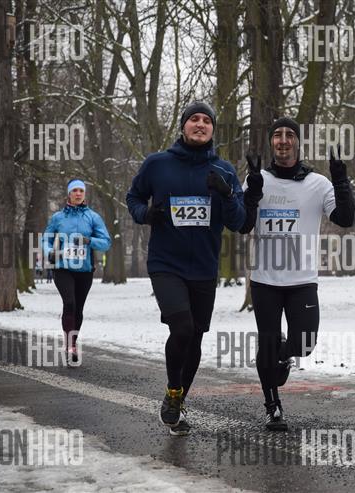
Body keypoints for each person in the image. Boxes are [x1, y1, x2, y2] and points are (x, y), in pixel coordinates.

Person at [126, 101, 246, 436]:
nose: (200, 124)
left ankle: (175, 399)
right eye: (194, 118)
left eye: (207, 120)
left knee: (195, 337)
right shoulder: (157, 164)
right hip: (166, 263)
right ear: (183, 126)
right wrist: (145, 214)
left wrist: (227, 195)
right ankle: (174, 389)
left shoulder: (224, 170)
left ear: (213, 129)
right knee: (182, 327)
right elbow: (133, 197)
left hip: (205, 268)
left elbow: (239, 223)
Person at [239, 116, 355, 431]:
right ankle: (272, 406)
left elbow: (345, 218)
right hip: (265, 280)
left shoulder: (318, 183)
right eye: (277, 135)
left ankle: (282, 354)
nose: (283, 140)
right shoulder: (257, 179)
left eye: (289, 134)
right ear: (271, 142)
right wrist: (251, 194)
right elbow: (243, 225)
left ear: (298, 142)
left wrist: (341, 179)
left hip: (302, 280)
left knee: (304, 343)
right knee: (267, 342)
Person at [43, 179, 111, 367]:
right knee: (69, 303)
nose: (78, 193)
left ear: (84, 194)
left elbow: (106, 242)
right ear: (69, 194)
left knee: (78, 308)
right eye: (75, 190)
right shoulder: (58, 217)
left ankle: (72, 343)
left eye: (81, 190)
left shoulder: (93, 217)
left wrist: (89, 241)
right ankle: (69, 346)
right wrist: (49, 251)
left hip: (84, 270)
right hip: (62, 268)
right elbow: (46, 239)